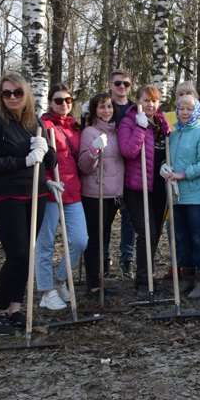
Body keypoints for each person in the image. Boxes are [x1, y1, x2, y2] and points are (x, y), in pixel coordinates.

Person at [0, 73, 57, 335]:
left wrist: (47, 150)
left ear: (26, 95)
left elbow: (49, 161)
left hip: (36, 196)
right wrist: (24, 160)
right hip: (6, 198)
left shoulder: (35, 123)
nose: (12, 97)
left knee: (27, 256)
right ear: (0, 97)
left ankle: (15, 309)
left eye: (17, 93)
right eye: (6, 93)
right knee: (17, 255)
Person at [36, 84, 89, 311]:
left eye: (68, 100)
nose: (64, 104)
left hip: (72, 190)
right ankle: (47, 291)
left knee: (80, 240)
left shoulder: (75, 127)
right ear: (50, 102)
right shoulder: (41, 125)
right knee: (45, 243)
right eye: (59, 100)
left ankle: (59, 280)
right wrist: (46, 180)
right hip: (49, 190)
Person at [119, 85, 172, 298]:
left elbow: (167, 149)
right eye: (146, 100)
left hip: (159, 185)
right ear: (137, 101)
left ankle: (149, 275)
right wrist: (140, 129)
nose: (150, 104)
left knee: (155, 232)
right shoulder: (128, 122)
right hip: (137, 186)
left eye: (154, 100)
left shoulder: (161, 123)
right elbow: (128, 151)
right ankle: (142, 281)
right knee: (146, 232)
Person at [162, 95, 200, 300]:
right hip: (177, 196)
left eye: (188, 109)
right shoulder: (174, 135)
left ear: (197, 110)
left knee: (199, 238)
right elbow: (167, 159)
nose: (184, 112)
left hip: (198, 196)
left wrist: (182, 174)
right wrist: (164, 169)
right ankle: (187, 278)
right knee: (182, 238)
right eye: (181, 108)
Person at [78, 92, 124, 301]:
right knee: (94, 240)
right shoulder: (89, 132)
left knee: (104, 238)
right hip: (95, 193)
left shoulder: (116, 132)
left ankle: (100, 281)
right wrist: (94, 150)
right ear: (94, 111)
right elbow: (84, 166)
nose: (106, 111)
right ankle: (94, 285)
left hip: (113, 194)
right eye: (102, 107)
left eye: (109, 107)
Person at [108, 68, 135, 279]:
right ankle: (102, 258)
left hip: (131, 169)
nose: (122, 87)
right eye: (118, 83)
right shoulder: (102, 106)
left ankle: (127, 259)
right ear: (110, 85)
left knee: (129, 218)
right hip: (106, 171)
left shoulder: (136, 109)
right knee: (104, 219)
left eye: (126, 83)